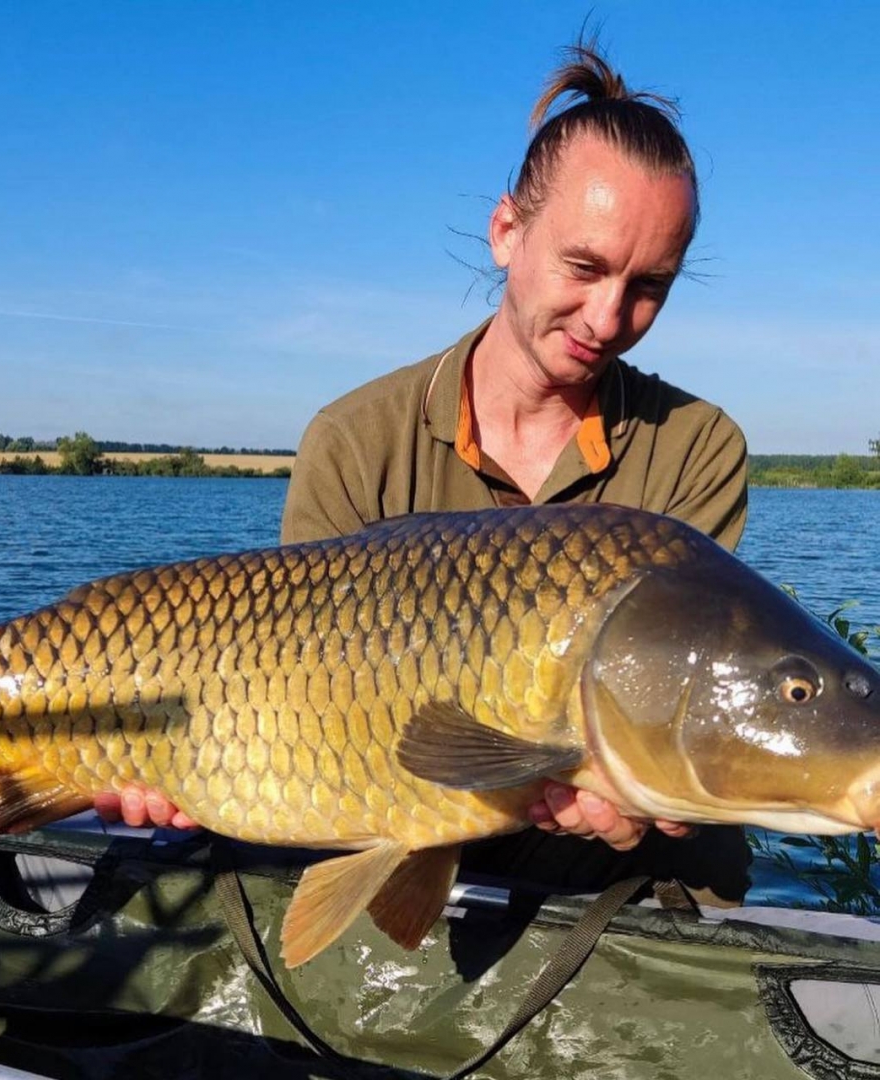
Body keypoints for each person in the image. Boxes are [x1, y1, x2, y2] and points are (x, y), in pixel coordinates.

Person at [106, 40, 751, 903]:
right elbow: (301, 722)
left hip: (613, 883)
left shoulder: (695, 446)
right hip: (391, 834)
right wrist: (161, 759)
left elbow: (687, 711)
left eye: (650, 285)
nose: (609, 316)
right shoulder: (354, 438)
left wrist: (652, 791)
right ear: (505, 232)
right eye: (584, 266)